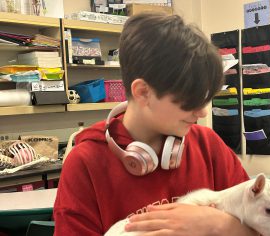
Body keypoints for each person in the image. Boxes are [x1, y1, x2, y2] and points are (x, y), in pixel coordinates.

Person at [54, 12, 258, 235]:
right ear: (143, 92)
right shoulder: (86, 163)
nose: (201, 112)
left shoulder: (207, 145)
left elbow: (260, 225)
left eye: (205, 98)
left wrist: (214, 224)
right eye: (189, 101)